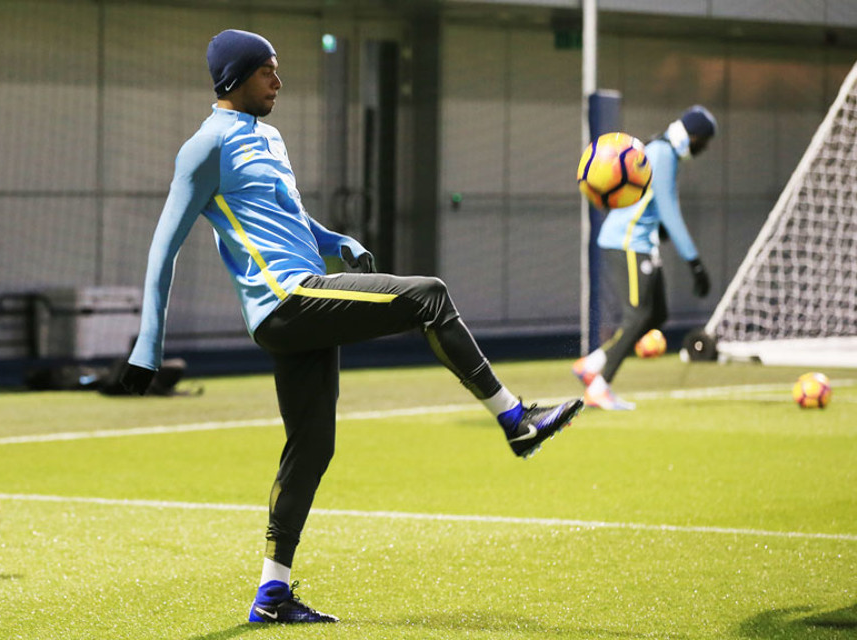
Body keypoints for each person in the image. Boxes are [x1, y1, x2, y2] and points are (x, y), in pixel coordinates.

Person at [120, 28, 584, 624]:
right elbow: (164, 249)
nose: (279, 82)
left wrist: (335, 241)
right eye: (268, 72)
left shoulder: (269, 136)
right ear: (234, 80)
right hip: (286, 302)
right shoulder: (204, 147)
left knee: (312, 448)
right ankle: (515, 420)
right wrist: (146, 349)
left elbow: (290, 213)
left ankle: (272, 596)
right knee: (430, 296)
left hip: (306, 297)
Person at [573, 106, 717, 410]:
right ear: (694, 137)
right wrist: (694, 262)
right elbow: (668, 208)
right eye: (704, 143)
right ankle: (599, 387)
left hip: (641, 242)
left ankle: (593, 364)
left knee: (657, 314)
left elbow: (651, 202)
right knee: (637, 315)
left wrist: (660, 229)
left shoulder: (663, 150)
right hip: (628, 243)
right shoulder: (662, 154)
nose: (703, 150)